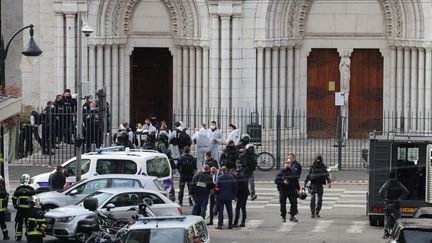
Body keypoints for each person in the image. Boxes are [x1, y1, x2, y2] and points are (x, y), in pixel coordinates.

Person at [379, 171, 409, 239]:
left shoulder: (387, 184)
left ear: (389, 177)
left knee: (387, 218)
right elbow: (406, 191)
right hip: (396, 204)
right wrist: (400, 198)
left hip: (389, 204)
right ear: (395, 176)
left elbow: (380, 191)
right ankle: (399, 233)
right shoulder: (399, 184)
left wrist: (384, 199)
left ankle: (386, 233)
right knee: (398, 219)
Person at [274, 158, 301, 223]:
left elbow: (296, 181)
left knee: (294, 203)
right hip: (283, 190)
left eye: (288, 165)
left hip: (292, 190)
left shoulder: (293, 173)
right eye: (286, 165)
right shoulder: (281, 173)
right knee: (283, 203)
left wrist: (298, 189)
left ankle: (292, 215)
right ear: (284, 166)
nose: (287, 166)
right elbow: (276, 181)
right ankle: (283, 216)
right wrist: (283, 182)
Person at [13, 174, 37, 241]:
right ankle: (29, 236)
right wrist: (32, 205)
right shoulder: (31, 189)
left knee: (18, 222)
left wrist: (15, 206)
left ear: (21, 180)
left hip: (20, 209)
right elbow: (35, 199)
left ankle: (18, 237)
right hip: (29, 210)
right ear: (29, 180)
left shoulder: (18, 189)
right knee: (29, 222)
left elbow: (14, 198)